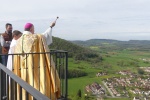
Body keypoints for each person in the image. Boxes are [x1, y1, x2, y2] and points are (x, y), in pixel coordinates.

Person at [12, 21, 60, 100]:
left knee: (26, 82)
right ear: (31, 29)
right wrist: (50, 27)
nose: (34, 31)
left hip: (23, 67)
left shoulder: (19, 40)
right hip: (35, 66)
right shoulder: (36, 37)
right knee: (36, 83)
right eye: (33, 29)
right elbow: (45, 36)